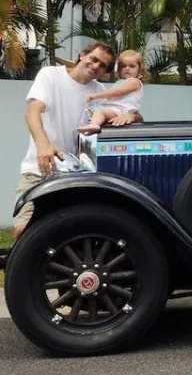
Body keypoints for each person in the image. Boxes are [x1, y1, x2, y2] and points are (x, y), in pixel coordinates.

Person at [11, 42, 141, 239]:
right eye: (94, 59)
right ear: (82, 55)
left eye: (103, 65)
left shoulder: (99, 90)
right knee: (25, 230)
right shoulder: (50, 75)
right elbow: (32, 112)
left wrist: (132, 117)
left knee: (72, 234)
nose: (96, 66)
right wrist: (43, 145)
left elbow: (127, 110)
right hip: (40, 169)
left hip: (74, 177)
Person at [77, 49, 147, 135]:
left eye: (132, 66)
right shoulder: (120, 82)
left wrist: (95, 96)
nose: (127, 69)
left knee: (100, 112)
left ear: (140, 70)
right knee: (99, 112)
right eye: (123, 66)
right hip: (115, 110)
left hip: (121, 110)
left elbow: (118, 92)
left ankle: (94, 125)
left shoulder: (134, 82)